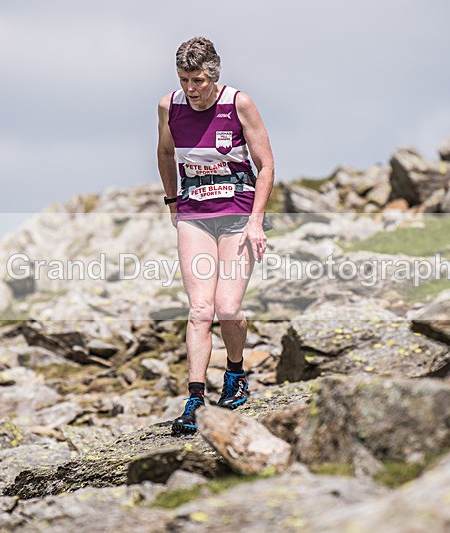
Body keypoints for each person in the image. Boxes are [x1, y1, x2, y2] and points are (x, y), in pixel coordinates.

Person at [156, 36, 274, 434]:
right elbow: (165, 152)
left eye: (199, 80)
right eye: (185, 79)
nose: (191, 89)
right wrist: (172, 200)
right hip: (194, 215)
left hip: (238, 214)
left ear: (214, 75)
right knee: (199, 311)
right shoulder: (168, 106)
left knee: (227, 308)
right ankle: (194, 399)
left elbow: (267, 164)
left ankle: (236, 373)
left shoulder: (238, 103)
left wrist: (257, 220)